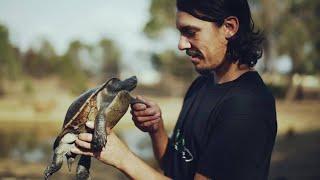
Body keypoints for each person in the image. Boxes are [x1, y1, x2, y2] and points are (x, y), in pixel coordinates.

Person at [71, 0, 277, 179]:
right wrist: (156, 129)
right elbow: (173, 166)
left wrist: (122, 157)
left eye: (191, 32)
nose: (181, 44)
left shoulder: (247, 107)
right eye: (180, 32)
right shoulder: (201, 86)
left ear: (229, 27)